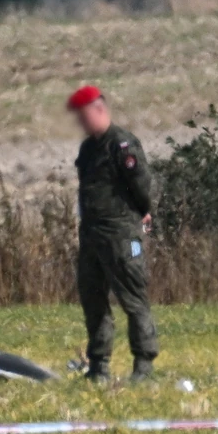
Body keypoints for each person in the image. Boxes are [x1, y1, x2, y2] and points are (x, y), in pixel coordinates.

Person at [68, 86, 159, 382]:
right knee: (93, 300)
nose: (80, 124)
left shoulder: (122, 144)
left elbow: (142, 184)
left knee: (133, 298)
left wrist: (142, 210)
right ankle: (98, 366)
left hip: (121, 234)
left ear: (98, 110)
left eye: (83, 117)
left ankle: (143, 365)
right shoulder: (88, 149)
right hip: (92, 235)